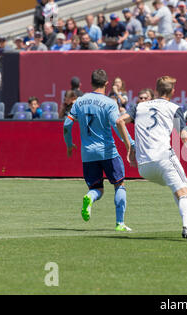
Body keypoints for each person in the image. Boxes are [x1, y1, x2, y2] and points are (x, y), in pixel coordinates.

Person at [115, 76, 187, 242]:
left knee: (178, 186)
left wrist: (129, 146)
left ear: (156, 91)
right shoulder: (174, 108)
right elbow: (185, 138)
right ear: (173, 91)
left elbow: (119, 121)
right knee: (183, 191)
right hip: (163, 158)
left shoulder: (140, 106)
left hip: (144, 166)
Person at [63, 69, 135, 232]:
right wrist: (130, 143)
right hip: (108, 152)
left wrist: (69, 144)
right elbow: (118, 124)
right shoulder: (110, 103)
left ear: (91, 82)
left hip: (88, 153)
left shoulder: (80, 101)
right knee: (119, 185)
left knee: (96, 189)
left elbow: (67, 124)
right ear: (106, 83)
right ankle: (120, 224)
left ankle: (89, 197)